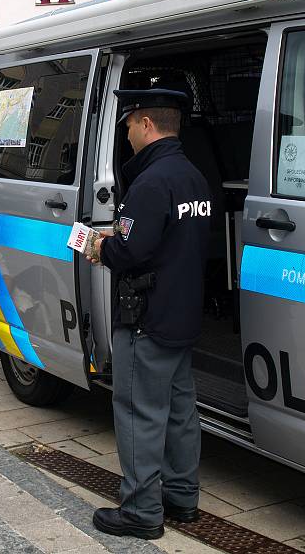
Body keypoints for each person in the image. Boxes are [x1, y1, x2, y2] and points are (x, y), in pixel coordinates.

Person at [86, 89, 211, 540]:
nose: (126, 132)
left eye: (128, 124)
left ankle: (141, 510)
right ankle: (182, 496)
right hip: (182, 314)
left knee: (139, 410)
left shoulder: (152, 181)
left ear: (145, 124)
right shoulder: (194, 176)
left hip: (147, 315)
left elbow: (129, 248)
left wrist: (100, 246)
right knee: (180, 409)